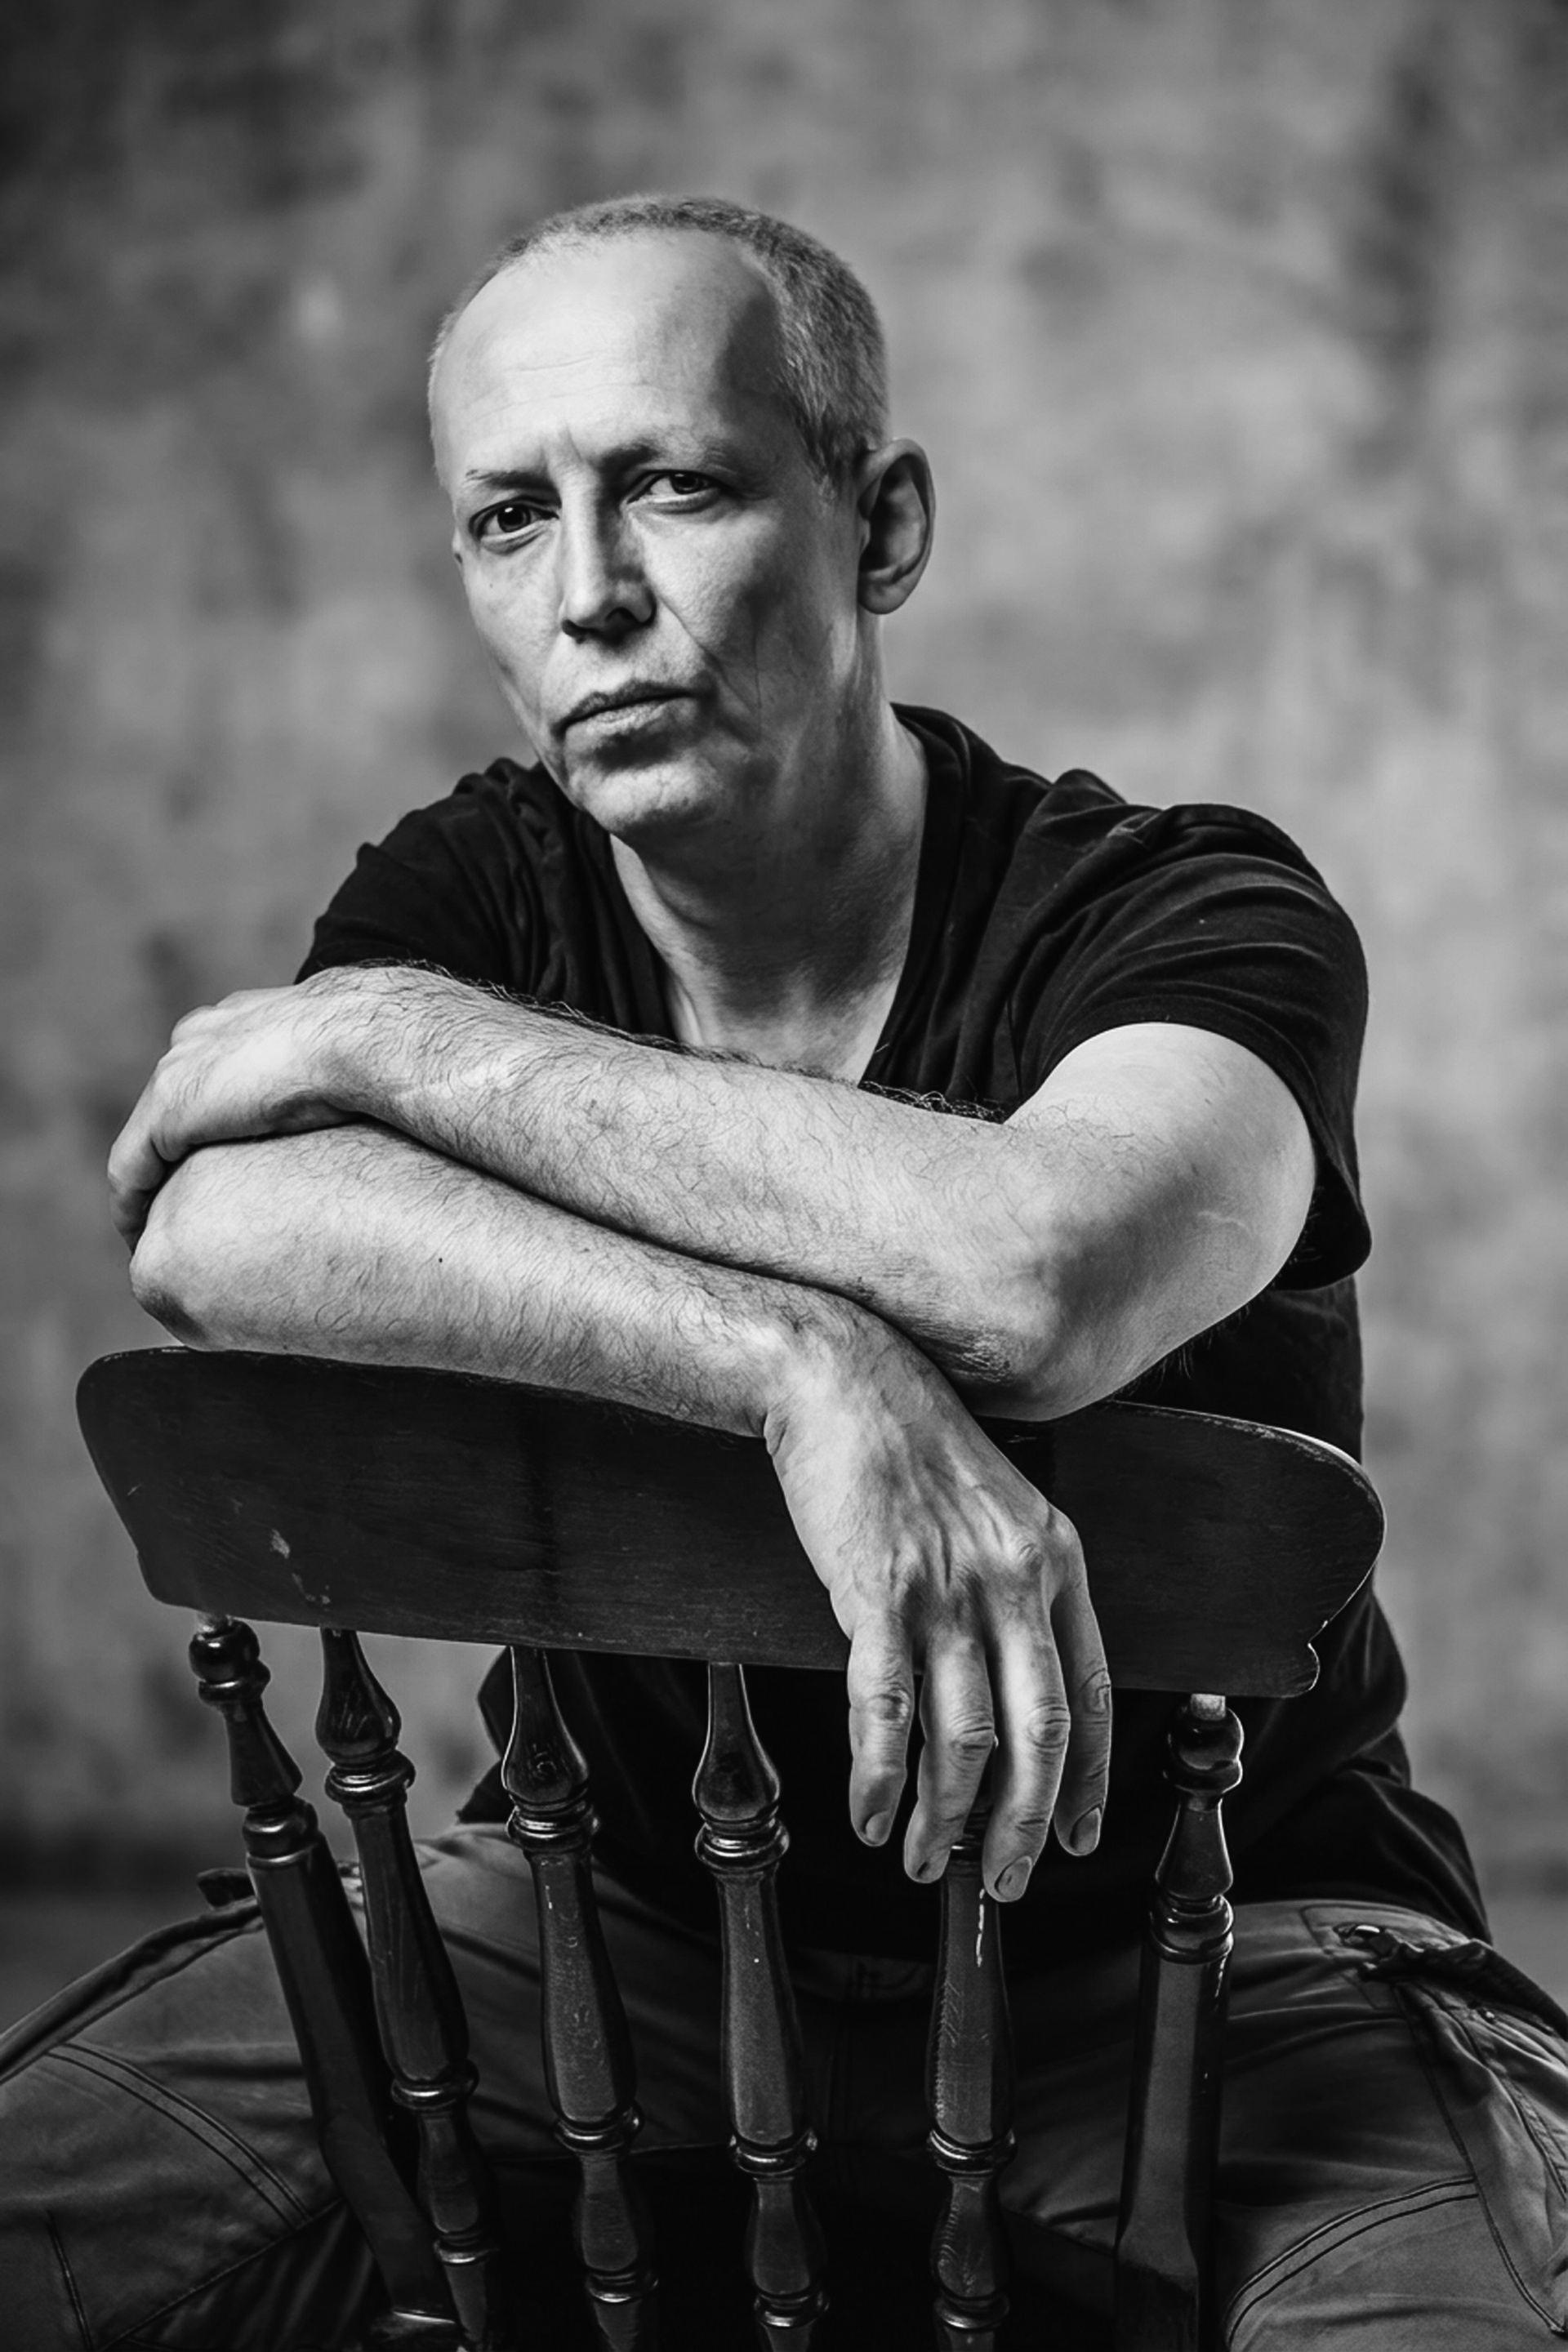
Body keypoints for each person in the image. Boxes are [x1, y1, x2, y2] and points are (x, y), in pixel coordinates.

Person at [5, 194, 1566, 2350]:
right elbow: (214, 1231)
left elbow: (1030, 1272)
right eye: (507, 518)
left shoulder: (1190, 913)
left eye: (675, 484)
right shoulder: (484, 884)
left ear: (881, 525)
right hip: (609, 1924)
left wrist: (393, 1042)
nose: (589, 593)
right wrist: (788, 1362)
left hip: (1213, 1968)